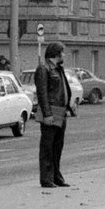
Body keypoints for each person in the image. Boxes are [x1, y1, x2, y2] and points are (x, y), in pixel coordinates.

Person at [34, 43, 73, 188]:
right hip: (51, 114)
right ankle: (46, 178)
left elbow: (62, 91)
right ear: (56, 54)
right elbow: (42, 93)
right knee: (47, 147)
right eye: (62, 53)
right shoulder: (44, 69)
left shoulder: (58, 69)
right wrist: (47, 114)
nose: (64, 55)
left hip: (61, 113)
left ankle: (56, 176)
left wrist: (67, 107)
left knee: (57, 146)